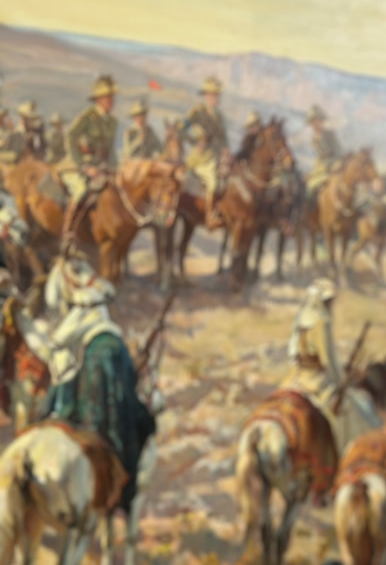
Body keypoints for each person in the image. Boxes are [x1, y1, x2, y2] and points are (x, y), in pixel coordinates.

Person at [17, 249, 156, 512]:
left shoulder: (80, 304)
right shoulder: (94, 298)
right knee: (132, 416)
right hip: (111, 350)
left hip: (94, 354)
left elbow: (57, 346)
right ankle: (125, 480)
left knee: (67, 397)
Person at [281, 277, 379, 450]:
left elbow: (293, 352)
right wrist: (342, 380)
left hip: (296, 377)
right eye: (329, 301)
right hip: (316, 381)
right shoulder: (322, 321)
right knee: (349, 406)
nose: (331, 305)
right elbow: (328, 359)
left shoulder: (302, 317)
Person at [58, 75, 119, 241]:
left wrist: (115, 169)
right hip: (78, 164)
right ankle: (68, 231)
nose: (110, 101)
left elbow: (110, 149)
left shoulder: (113, 122)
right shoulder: (87, 117)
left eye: (111, 98)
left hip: (100, 166)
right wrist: (84, 166)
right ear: (98, 100)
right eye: (107, 98)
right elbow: (70, 137)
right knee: (81, 191)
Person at [185, 76, 229, 229]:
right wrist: (195, 142)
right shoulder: (197, 112)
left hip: (217, 157)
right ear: (205, 96)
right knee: (213, 181)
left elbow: (224, 139)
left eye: (216, 95)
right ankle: (210, 216)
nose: (214, 98)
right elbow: (181, 128)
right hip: (202, 158)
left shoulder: (220, 116)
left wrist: (226, 152)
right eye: (211, 95)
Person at [305, 104, 342, 197]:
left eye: (317, 121)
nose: (315, 125)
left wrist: (336, 164)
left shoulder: (329, 135)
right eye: (313, 122)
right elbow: (319, 159)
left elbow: (339, 152)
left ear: (321, 121)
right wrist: (312, 172)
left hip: (333, 166)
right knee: (308, 187)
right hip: (321, 168)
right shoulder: (314, 139)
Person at [0, 101, 43, 165]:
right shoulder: (14, 134)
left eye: (33, 119)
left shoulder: (35, 135)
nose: (33, 122)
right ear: (23, 119)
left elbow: (39, 151)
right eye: (30, 119)